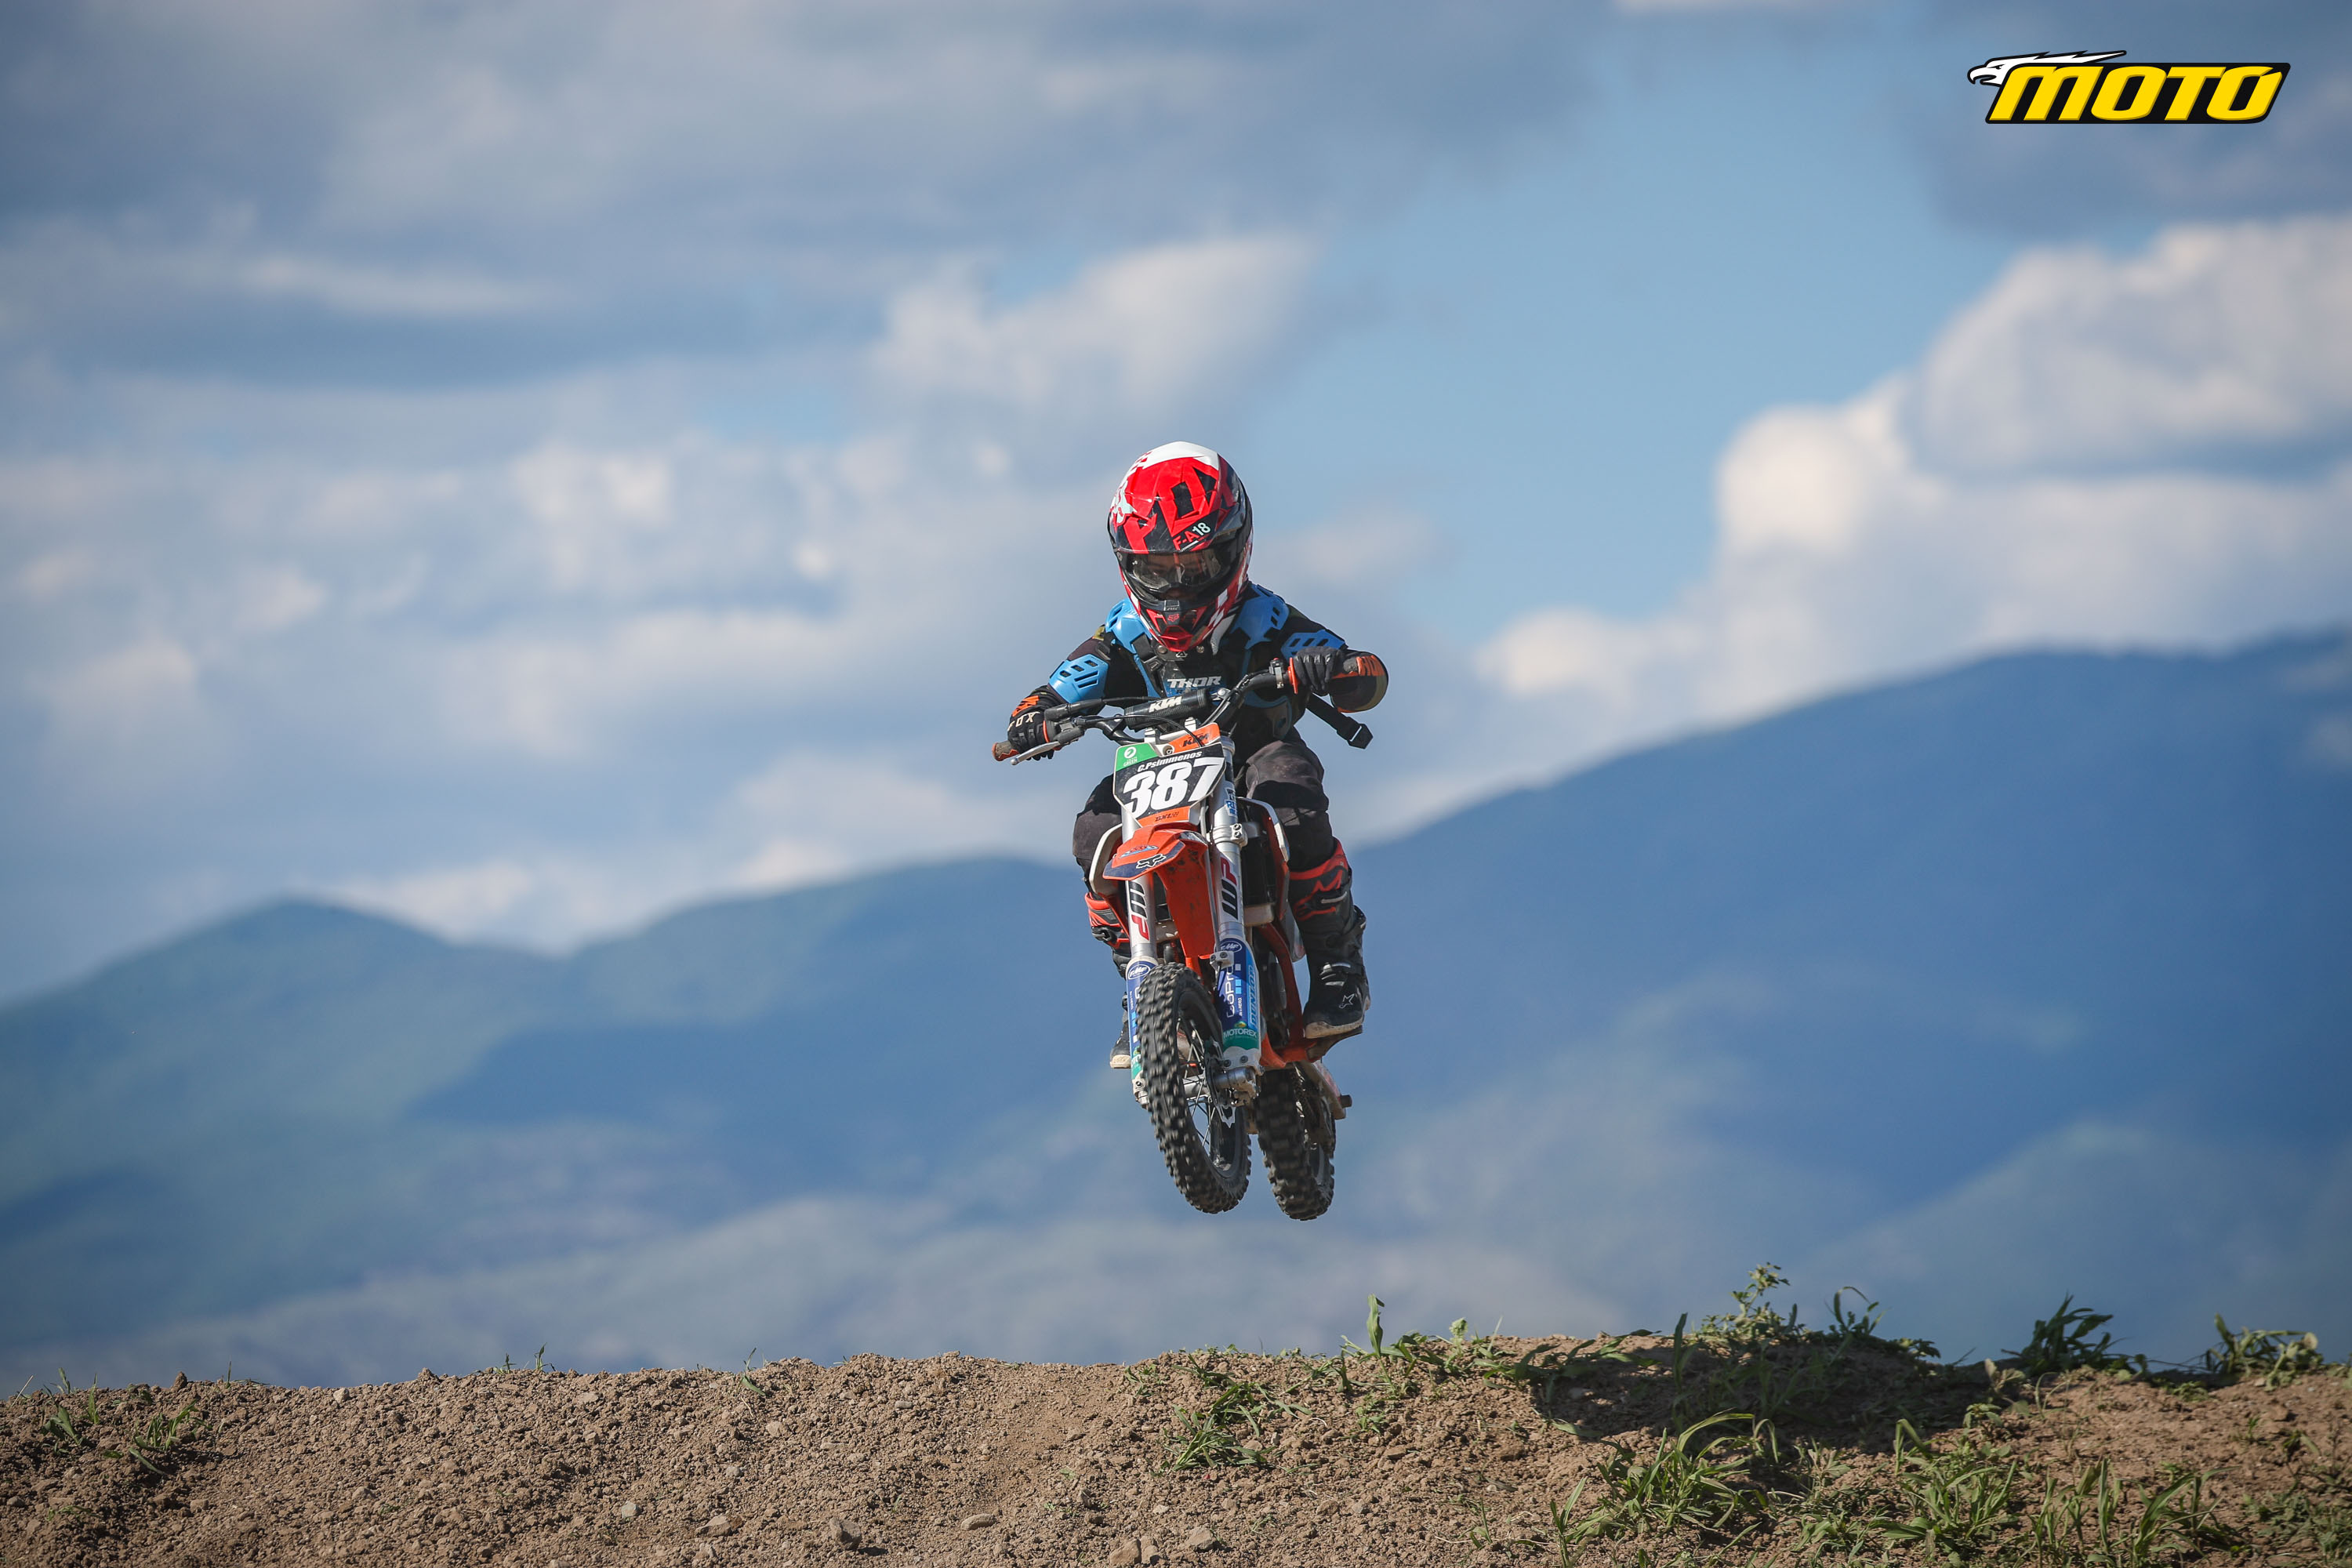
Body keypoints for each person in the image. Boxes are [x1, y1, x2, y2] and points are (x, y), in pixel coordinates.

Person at [1000, 441, 1387, 1046]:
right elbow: (1055, 689)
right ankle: (1138, 977)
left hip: (1254, 758)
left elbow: (1362, 674)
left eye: (1196, 567)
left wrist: (1336, 670)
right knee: (1092, 831)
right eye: (1159, 570)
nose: (1178, 588)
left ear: (1235, 550)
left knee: (1293, 794)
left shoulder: (1267, 619)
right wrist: (1035, 717)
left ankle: (1338, 965)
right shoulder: (1123, 634)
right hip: (1157, 770)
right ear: (1129, 565)